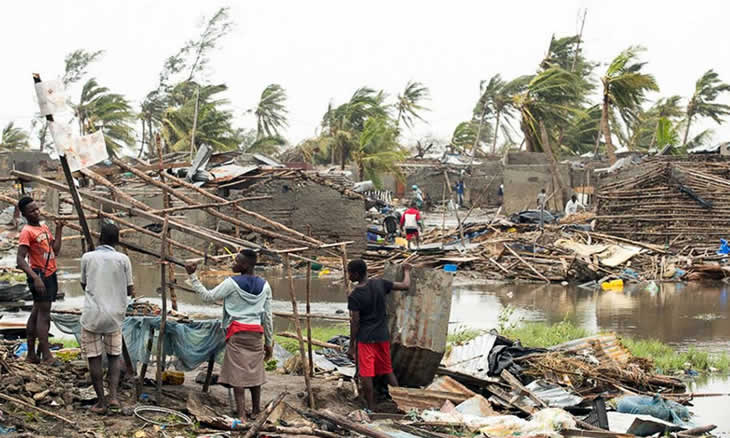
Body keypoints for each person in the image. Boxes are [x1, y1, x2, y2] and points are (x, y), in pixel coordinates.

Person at [185, 250, 273, 420]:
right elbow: (267, 317)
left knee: (238, 375)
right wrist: (269, 343)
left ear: (245, 265)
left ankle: (241, 415)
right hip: (255, 334)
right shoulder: (265, 285)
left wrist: (193, 276)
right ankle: (256, 411)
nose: (233, 264)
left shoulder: (231, 283)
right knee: (255, 372)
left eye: (236, 261)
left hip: (237, 333)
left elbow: (208, 297)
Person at [80, 223, 134, 415]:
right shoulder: (123, 259)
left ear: (100, 238)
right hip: (115, 316)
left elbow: (84, 284)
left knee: (94, 358)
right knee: (113, 357)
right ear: (117, 240)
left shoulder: (88, 257)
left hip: (92, 315)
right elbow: (130, 289)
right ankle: (113, 397)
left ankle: (101, 402)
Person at [346, 260, 411, 411]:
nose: (348, 275)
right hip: (382, 336)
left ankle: (371, 406)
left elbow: (355, 322)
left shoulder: (355, 295)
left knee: (366, 372)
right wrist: (407, 271)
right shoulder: (380, 284)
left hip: (366, 338)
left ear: (356, 273)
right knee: (387, 370)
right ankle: (403, 404)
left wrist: (351, 346)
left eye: (350, 272)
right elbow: (405, 285)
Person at [16, 197, 64, 364]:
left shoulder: (43, 227)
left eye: (37, 209)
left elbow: (55, 251)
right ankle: (47, 356)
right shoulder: (26, 231)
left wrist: (59, 229)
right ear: (24, 214)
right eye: (32, 211)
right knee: (44, 315)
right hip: (40, 275)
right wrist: (35, 278)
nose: (36, 212)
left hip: (50, 273)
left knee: (37, 312)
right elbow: (20, 260)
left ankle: (31, 354)